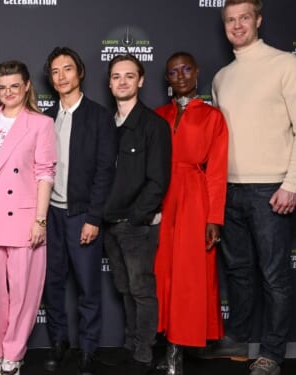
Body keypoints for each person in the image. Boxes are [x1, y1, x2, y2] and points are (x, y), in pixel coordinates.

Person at [200, 1, 296, 374]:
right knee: (237, 272)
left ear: (258, 20)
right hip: (230, 190)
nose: (237, 25)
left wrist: (291, 184)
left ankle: (272, 353)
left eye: (244, 17)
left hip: (270, 189)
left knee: (274, 276)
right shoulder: (222, 77)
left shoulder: (285, 64)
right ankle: (236, 341)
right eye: (230, 20)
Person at [0, 60, 57, 375]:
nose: (8, 92)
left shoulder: (40, 124)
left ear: (26, 87)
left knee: (23, 290)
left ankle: (14, 352)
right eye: (3, 87)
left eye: (14, 86)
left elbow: (45, 174)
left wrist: (40, 220)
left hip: (23, 218)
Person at [42, 46, 117, 375]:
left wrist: (93, 218)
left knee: (88, 286)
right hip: (50, 215)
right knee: (52, 283)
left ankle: (87, 350)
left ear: (80, 72)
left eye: (67, 69)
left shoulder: (99, 116)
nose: (61, 77)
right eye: (55, 72)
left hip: (80, 214)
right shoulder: (44, 118)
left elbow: (105, 171)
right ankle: (59, 343)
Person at [153, 51, 228, 375]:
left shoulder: (213, 117)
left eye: (186, 69)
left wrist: (214, 219)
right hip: (161, 197)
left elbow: (217, 171)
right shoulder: (157, 115)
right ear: (167, 79)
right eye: (173, 72)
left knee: (188, 277)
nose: (180, 76)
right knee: (161, 274)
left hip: (195, 198)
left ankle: (177, 354)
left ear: (196, 73)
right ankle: (162, 345)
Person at [102, 54, 172, 375]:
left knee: (142, 289)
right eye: (117, 76)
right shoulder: (106, 124)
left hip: (136, 225)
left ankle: (143, 353)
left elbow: (158, 180)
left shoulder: (153, 125)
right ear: (110, 82)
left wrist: (137, 217)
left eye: (130, 76)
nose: (123, 82)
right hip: (109, 222)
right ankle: (131, 345)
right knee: (125, 288)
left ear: (141, 80)